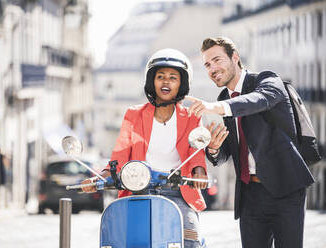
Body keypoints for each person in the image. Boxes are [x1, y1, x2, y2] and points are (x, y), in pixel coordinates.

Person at [186, 37, 315, 248]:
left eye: (217, 60)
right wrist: (215, 148)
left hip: (285, 189)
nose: (212, 68)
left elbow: (258, 100)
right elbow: (229, 151)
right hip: (249, 195)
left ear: (235, 57)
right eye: (207, 64)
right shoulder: (224, 98)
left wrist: (217, 107)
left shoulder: (266, 80)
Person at [83, 48, 208, 247]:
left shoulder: (192, 117)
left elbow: (196, 152)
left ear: (181, 83)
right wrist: (100, 177)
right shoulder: (134, 115)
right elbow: (120, 154)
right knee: (119, 240)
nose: (166, 81)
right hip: (139, 191)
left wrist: (199, 172)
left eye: (173, 77)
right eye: (160, 76)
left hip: (178, 192)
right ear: (152, 81)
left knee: (190, 238)